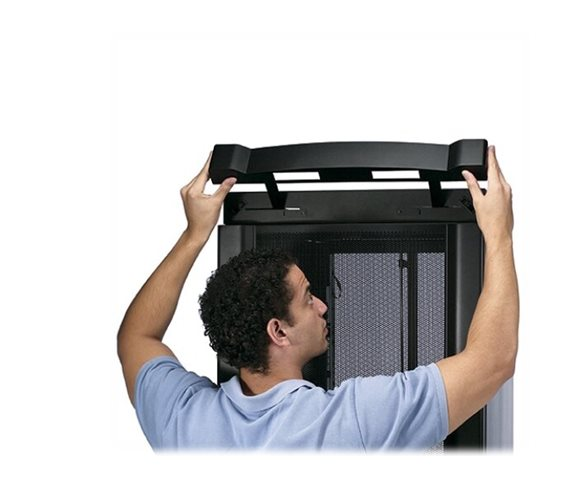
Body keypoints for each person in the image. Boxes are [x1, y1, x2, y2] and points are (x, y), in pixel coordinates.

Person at [117, 145, 518, 450]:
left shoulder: (182, 422)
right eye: (308, 297)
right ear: (278, 331)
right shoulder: (352, 423)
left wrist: (194, 235)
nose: (324, 305)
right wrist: (498, 234)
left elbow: (136, 336)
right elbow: (493, 360)